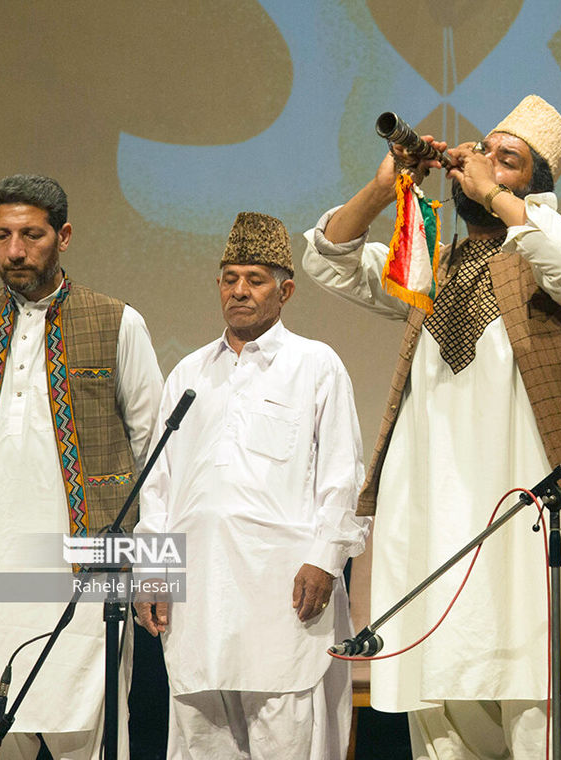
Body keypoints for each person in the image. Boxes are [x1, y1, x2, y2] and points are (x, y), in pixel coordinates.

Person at [302, 95, 561, 759]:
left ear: (536, 188)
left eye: (506, 160)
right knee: (444, 723)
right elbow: (330, 258)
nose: (479, 163)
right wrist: (387, 184)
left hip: (529, 537)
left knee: (545, 716)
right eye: (480, 150)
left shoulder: (554, 256)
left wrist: (499, 196)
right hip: (439, 539)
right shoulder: (434, 263)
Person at [133, 211, 369, 760]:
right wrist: (151, 571)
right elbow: (158, 492)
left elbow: (343, 476)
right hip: (199, 607)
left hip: (284, 599)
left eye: (255, 280)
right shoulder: (188, 373)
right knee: (200, 744)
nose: (240, 291)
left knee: (287, 740)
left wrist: (325, 560)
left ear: (285, 291)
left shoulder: (315, 365)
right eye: (230, 278)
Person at [0, 174, 163, 759]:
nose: (15, 250)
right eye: (2, 235)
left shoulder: (118, 321)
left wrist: (156, 575)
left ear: (63, 236)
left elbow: (157, 457)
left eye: (31, 235)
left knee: (85, 734)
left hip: (88, 569)